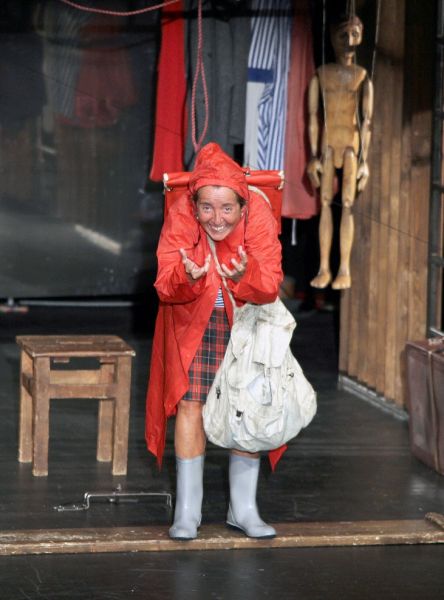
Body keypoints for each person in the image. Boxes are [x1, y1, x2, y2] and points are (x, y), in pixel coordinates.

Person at [145, 142, 283, 540]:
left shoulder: (259, 214)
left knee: (247, 408)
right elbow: (164, 283)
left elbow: (271, 284)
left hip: (246, 323)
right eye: (207, 207)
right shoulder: (180, 213)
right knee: (191, 407)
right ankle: (188, 512)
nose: (216, 218)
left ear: (243, 204)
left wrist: (245, 275)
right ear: (195, 204)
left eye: (226, 209)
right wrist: (186, 277)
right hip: (195, 323)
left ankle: (244, 509)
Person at [306, 14, 373, 289]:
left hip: (350, 148)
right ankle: (324, 267)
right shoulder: (322, 74)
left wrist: (365, 161)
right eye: (343, 34)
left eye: (355, 34)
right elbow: (312, 116)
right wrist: (312, 156)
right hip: (327, 145)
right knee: (325, 204)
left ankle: (343, 267)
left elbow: (367, 121)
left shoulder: (362, 76)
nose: (349, 41)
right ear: (333, 37)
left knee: (346, 204)